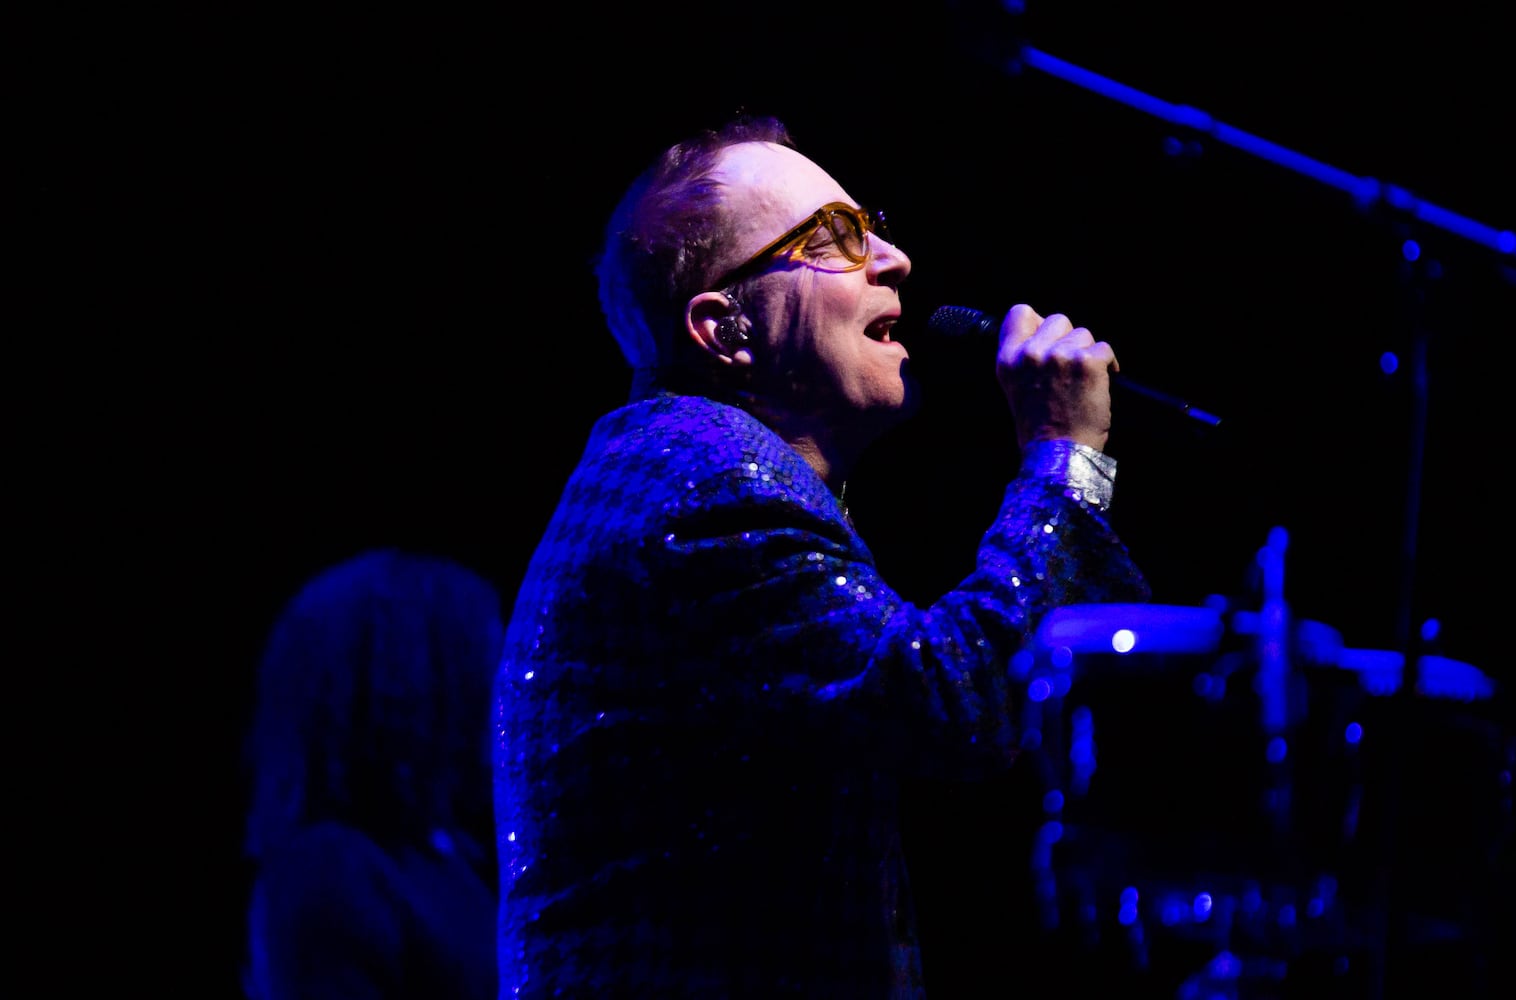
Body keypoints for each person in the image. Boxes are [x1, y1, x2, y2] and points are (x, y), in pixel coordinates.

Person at [492, 111, 1152, 997]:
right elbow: (957, 706)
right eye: (834, 239)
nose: (892, 259)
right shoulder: (704, 474)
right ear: (725, 330)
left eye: (870, 227)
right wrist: (1061, 459)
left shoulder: (704, 467)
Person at [241, 548, 505, 1000]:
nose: (503, 693)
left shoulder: (439, 859)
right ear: (417, 687)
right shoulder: (330, 868)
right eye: (481, 668)